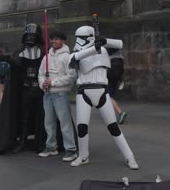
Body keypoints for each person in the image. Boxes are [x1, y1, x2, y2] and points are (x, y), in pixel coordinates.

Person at [67, 25, 138, 169]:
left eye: (83, 38)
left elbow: (120, 44)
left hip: (101, 92)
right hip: (84, 92)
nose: (80, 41)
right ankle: (83, 155)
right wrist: (94, 47)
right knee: (82, 127)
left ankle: (129, 156)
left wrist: (104, 40)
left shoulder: (104, 50)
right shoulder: (76, 53)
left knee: (113, 127)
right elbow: (73, 59)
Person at [0, 23, 46, 154]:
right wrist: (9, 60)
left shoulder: (44, 52)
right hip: (25, 88)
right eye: (28, 35)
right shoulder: (20, 52)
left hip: (39, 89)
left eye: (33, 36)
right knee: (24, 116)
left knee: (41, 116)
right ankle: (22, 140)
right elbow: (18, 67)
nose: (30, 38)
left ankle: (40, 141)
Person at [37, 30, 78, 162]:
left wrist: (53, 82)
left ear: (63, 41)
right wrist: (42, 83)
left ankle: (71, 149)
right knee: (48, 123)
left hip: (61, 94)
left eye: (57, 39)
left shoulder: (68, 57)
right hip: (47, 94)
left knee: (65, 123)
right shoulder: (46, 57)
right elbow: (40, 73)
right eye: (52, 39)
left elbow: (72, 76)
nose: (54, 41)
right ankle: (51, 147)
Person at [106, 48, 128, 124]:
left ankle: (120, 112)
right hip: (116, 74)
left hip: (110, 72)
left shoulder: (105, 47)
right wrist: (121, 79)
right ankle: (111, 115)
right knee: (109, 95)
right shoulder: (119, 55)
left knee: (107, 96)